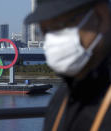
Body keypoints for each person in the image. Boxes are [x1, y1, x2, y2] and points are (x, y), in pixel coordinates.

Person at [25, 0, 111, 131]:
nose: (53, 39)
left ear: (101, 16)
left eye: (62, 25)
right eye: (45, 29)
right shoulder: (61, 99)